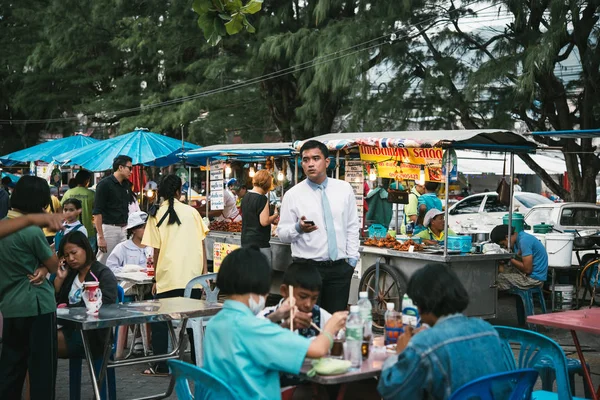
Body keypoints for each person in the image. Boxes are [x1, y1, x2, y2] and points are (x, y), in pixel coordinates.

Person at [203, 247, 348, 399]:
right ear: (261, 286)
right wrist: (332, 325)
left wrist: (279, 321)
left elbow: (254, 338)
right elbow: (317, 350)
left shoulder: (215, 324)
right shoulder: (256, 329)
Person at [378, 263, 508, 399]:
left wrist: (400, 353)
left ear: (422, 304)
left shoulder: (424, 345)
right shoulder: (488, 330)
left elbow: (392, 391)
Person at [277, 140, 360, 313]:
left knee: (334, 322)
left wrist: (352, 261)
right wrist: (298, 228)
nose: (310, 164)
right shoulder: (293, 195)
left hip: (339, 269)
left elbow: (352, 226)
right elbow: (282, 233)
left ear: (327, 162)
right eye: (305, 160)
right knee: (306, 322)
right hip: (306, 269)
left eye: (316, 158)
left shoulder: (344, 189)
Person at [0, 176, 60, 400]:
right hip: (37, 306)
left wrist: (42, 268)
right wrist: (45, 267)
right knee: (42, 369)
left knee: (11, 367)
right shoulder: (32, 231)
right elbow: (53, 264)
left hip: (10, 305)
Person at [141, 174, 208, 375]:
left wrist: (155, 278)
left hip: (168, 277)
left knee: (161, 321)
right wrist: (204, 274)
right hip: (193, 278)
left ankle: (160, 365)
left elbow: (156, 250)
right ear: (180, 191)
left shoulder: (155, 214)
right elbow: (202, 244)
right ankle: (198, 362)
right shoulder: (192, 212)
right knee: (193, 322)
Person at [54, 231, 117, 359]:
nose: (70, 258)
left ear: (86, 249)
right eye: (66, 255)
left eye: (74, 253)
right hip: (70, 330)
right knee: (34, 340)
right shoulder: (70, 275)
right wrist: (59, 280)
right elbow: (56, 303)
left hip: (93, 335)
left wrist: (70, 310)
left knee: (40, 342)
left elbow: (106, 304)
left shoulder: (102, 273)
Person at [259, 262, 331, 337]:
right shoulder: (266, 316)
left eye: (314, 298)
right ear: (284, 291)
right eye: (303, 296)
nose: (308, 304)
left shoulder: (320, 316)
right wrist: (276, 317)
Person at [93, 155, 133, 263]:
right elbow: (97, 212)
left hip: (124, 227)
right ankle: (99, 280)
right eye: (129, 168)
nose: (131, 171)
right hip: (109, 228)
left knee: (123, 260)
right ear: (120, 167)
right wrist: (100, 236)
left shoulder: (126, 185)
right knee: (104, 260)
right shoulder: (104, 184)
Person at [490, 224, 548, 290]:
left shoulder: (524, 241)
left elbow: (528, 270)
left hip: (534, 279)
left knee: (496, 279)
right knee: (499, 271)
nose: (505, 247)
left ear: (507, 237)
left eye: (503, 244)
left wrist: (510, 258)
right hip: (530, 275)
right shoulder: (520, 238)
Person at [241, 170, 278, 263]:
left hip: (245, 241)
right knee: (262, 273)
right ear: (266, 184)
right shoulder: (262, 199)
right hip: (259, 243)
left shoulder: (245, 197)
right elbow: (264, 221)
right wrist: (275, 215)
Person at [62, 169, 96, 251]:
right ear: (87, 180)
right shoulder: (91, 194)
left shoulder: (68, 193)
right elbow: (96, 211)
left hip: (70, 230)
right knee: (89, 255)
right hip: (88, 230)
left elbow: (60, 209)